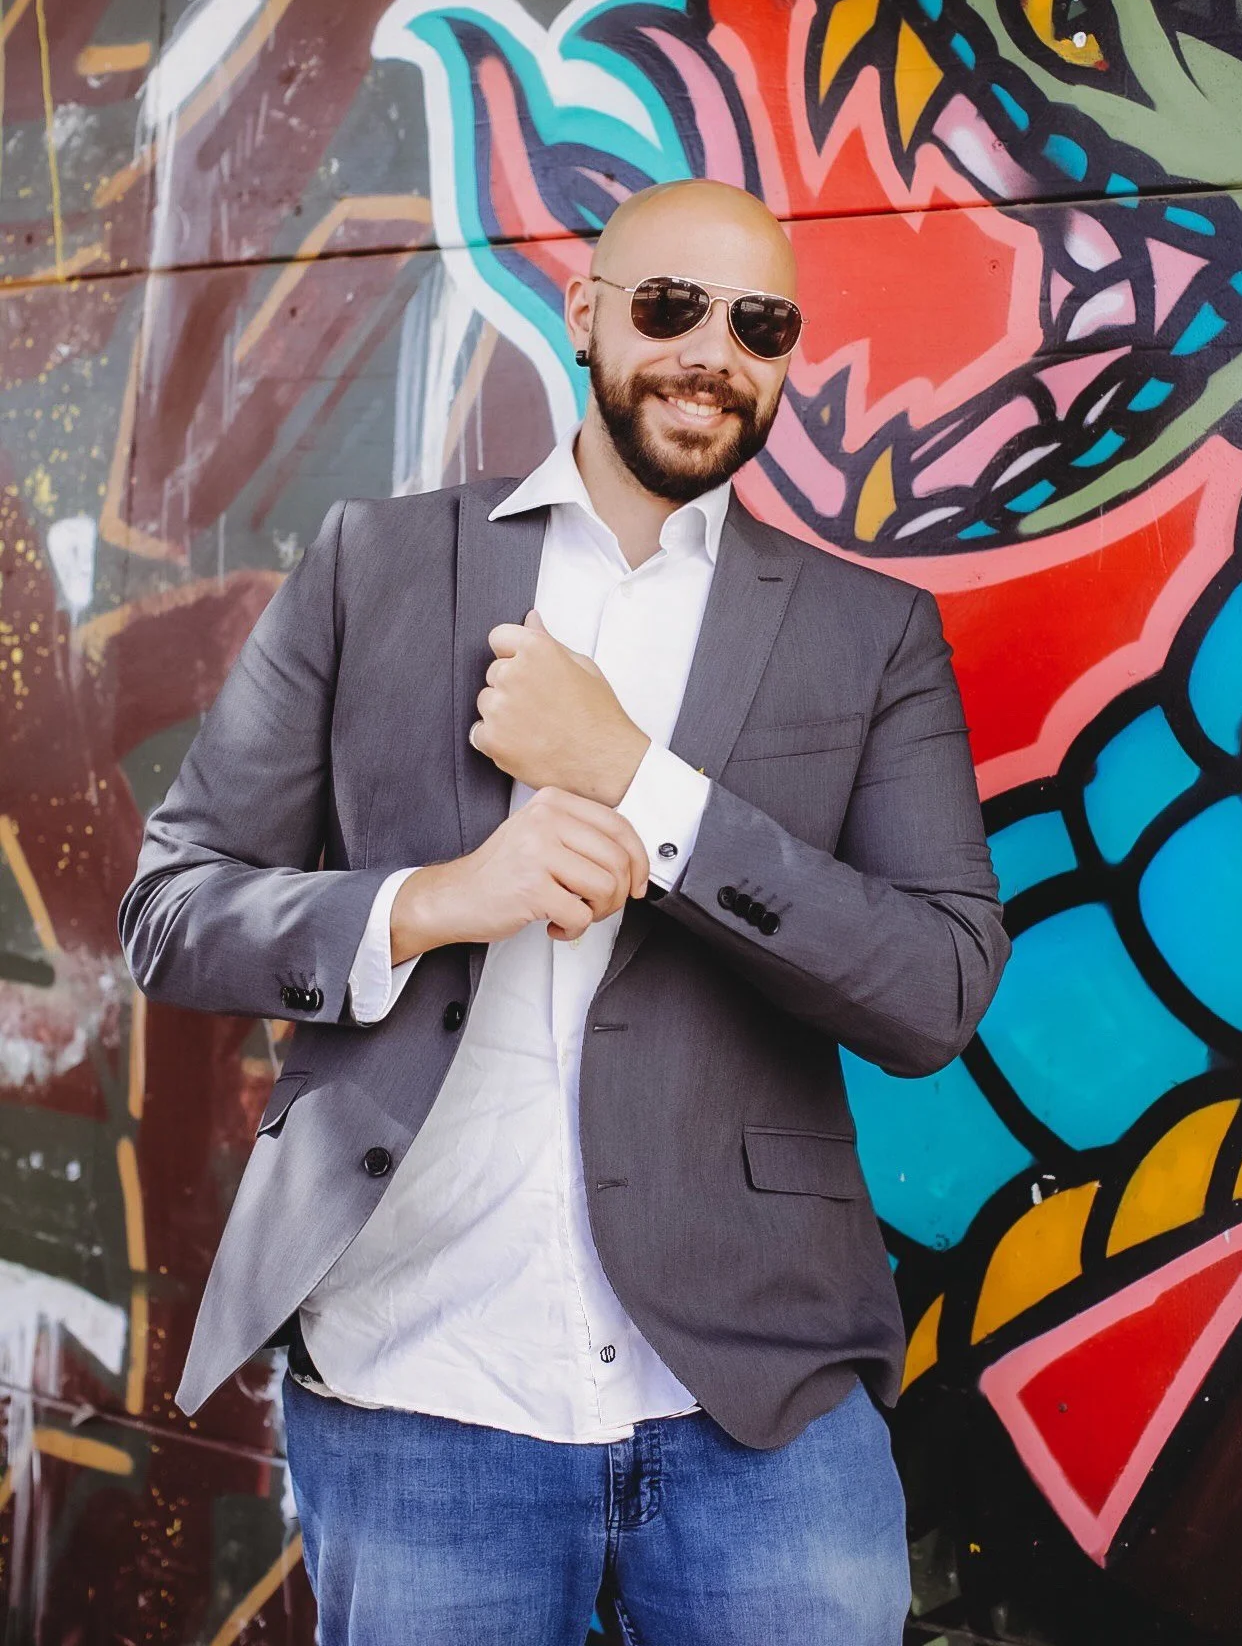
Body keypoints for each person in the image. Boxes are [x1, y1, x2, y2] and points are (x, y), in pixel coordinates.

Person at [118, 178, 1009, 1645]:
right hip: (421, 1388)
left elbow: (936, 988)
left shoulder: (870, 634)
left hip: (757, 1400)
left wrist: (641, 791)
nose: (710, 351)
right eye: (670, 307)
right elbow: (172, 908)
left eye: (759, 323)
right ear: (586, 312)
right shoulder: (374, 564)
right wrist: (430, 903)